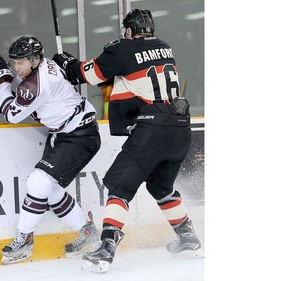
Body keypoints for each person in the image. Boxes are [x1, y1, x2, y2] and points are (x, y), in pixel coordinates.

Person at [53, 9, 203, 273]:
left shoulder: (123, 49)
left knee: (119, 188)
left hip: (152, 129)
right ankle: (188, 237)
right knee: (161, 187)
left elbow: (89, 75)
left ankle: (107, 246)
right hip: (180, 127)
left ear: (129, 30)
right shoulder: (165, 47)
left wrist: (66, 63)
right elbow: (130, 75)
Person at [0, 36, 101, 265]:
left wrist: (2, 82)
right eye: (14, 62)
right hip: (66, 133)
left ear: (35, 60)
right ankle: (87, 232)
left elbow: (11, 114)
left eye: (20, 63)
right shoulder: (44, 67)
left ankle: (25, 238)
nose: (16, 67)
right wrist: (9, 95)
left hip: (79, 136)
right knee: (49, 190)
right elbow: (20, 105)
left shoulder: (35, 85)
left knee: (38, 183)